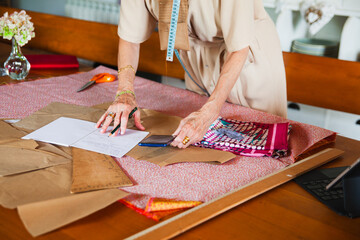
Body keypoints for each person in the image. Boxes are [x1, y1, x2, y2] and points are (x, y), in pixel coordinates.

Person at [96, 0, 287, 149]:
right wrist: (125, 92)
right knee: (205, 143)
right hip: (197, 60)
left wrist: (208, 112)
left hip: (245, 57)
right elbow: (130, 39)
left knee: (259, 142)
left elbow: (238, 49)